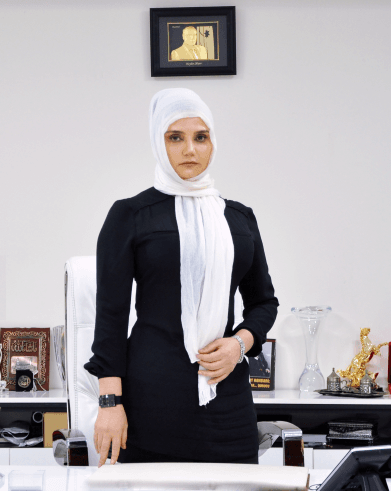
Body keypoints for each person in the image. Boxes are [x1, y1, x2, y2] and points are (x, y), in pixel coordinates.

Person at [85, 88, 278, 465]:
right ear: (159, 142)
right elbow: (110, 318)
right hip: (150, 401)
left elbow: (263, 303)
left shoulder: (239, 218)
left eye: (200, 137)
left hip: (228, 402)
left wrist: (239, 344)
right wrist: (109, 403)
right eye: (176, 137)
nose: (190, 149)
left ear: (212, 142)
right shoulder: (130, 215)